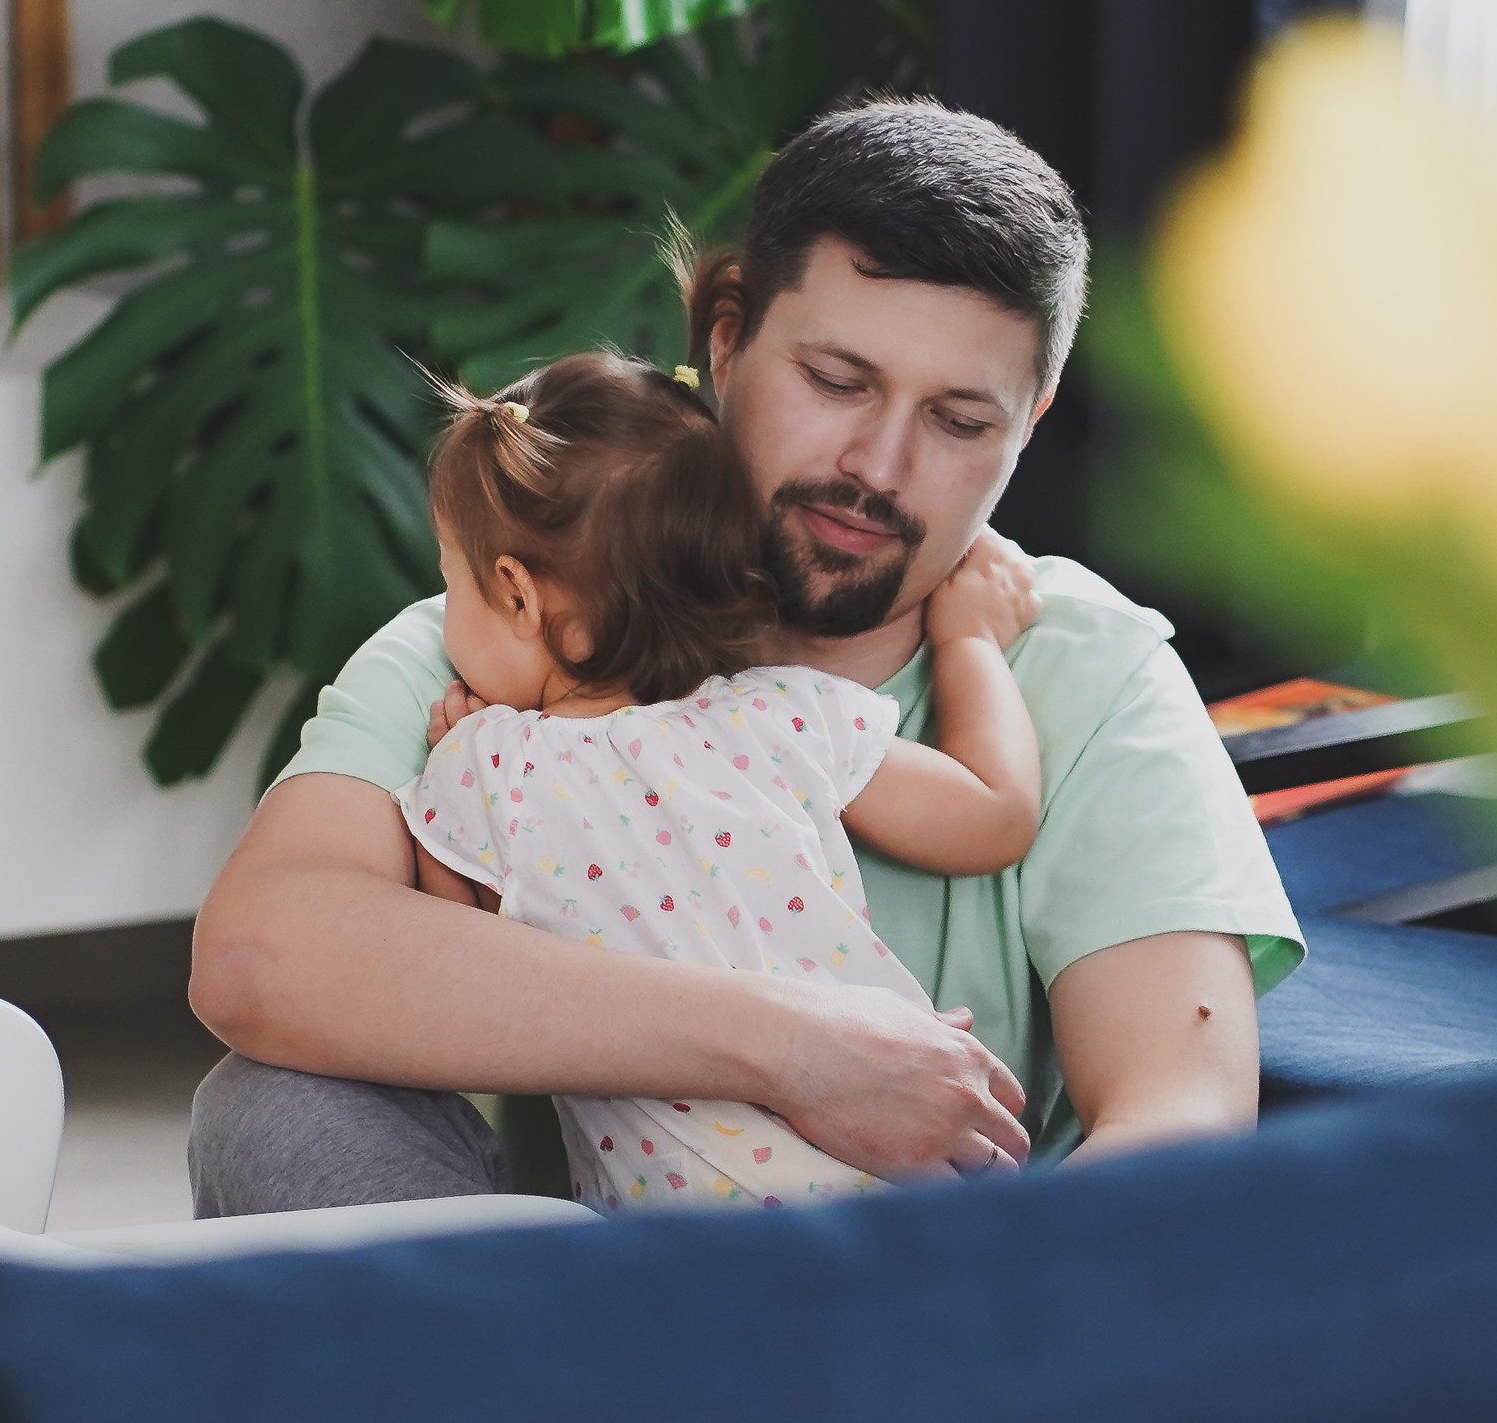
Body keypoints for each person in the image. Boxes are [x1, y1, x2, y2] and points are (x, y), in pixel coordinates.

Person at [186, 100, 1305, 1215]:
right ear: (725, 343)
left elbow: (1180, 1118)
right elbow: (259, 958)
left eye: (961, 420)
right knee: (272, 1107)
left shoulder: (1091, 671)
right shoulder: (502, 641)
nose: (878, 464)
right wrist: (796, 1047)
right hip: (573, 1301)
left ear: (1031, 420)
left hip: (951, 1310)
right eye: (837, 381)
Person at [401, 352, 1047, 1211]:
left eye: (451, 578)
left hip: (689, 1236)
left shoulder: (486, 768)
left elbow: (455, 974)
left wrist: (457, 765)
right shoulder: (785, 713)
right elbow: (995, 816)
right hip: (910, 1166)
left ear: (518, 595)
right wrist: (969, 636)